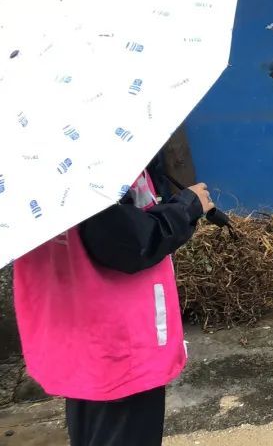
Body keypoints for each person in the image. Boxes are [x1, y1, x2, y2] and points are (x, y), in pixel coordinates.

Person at [13, 168, 212, 446]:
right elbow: (129, 243)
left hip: (74, 338)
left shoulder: (33, 168)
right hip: (120, 346)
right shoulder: (93, 163)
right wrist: (187, 207)